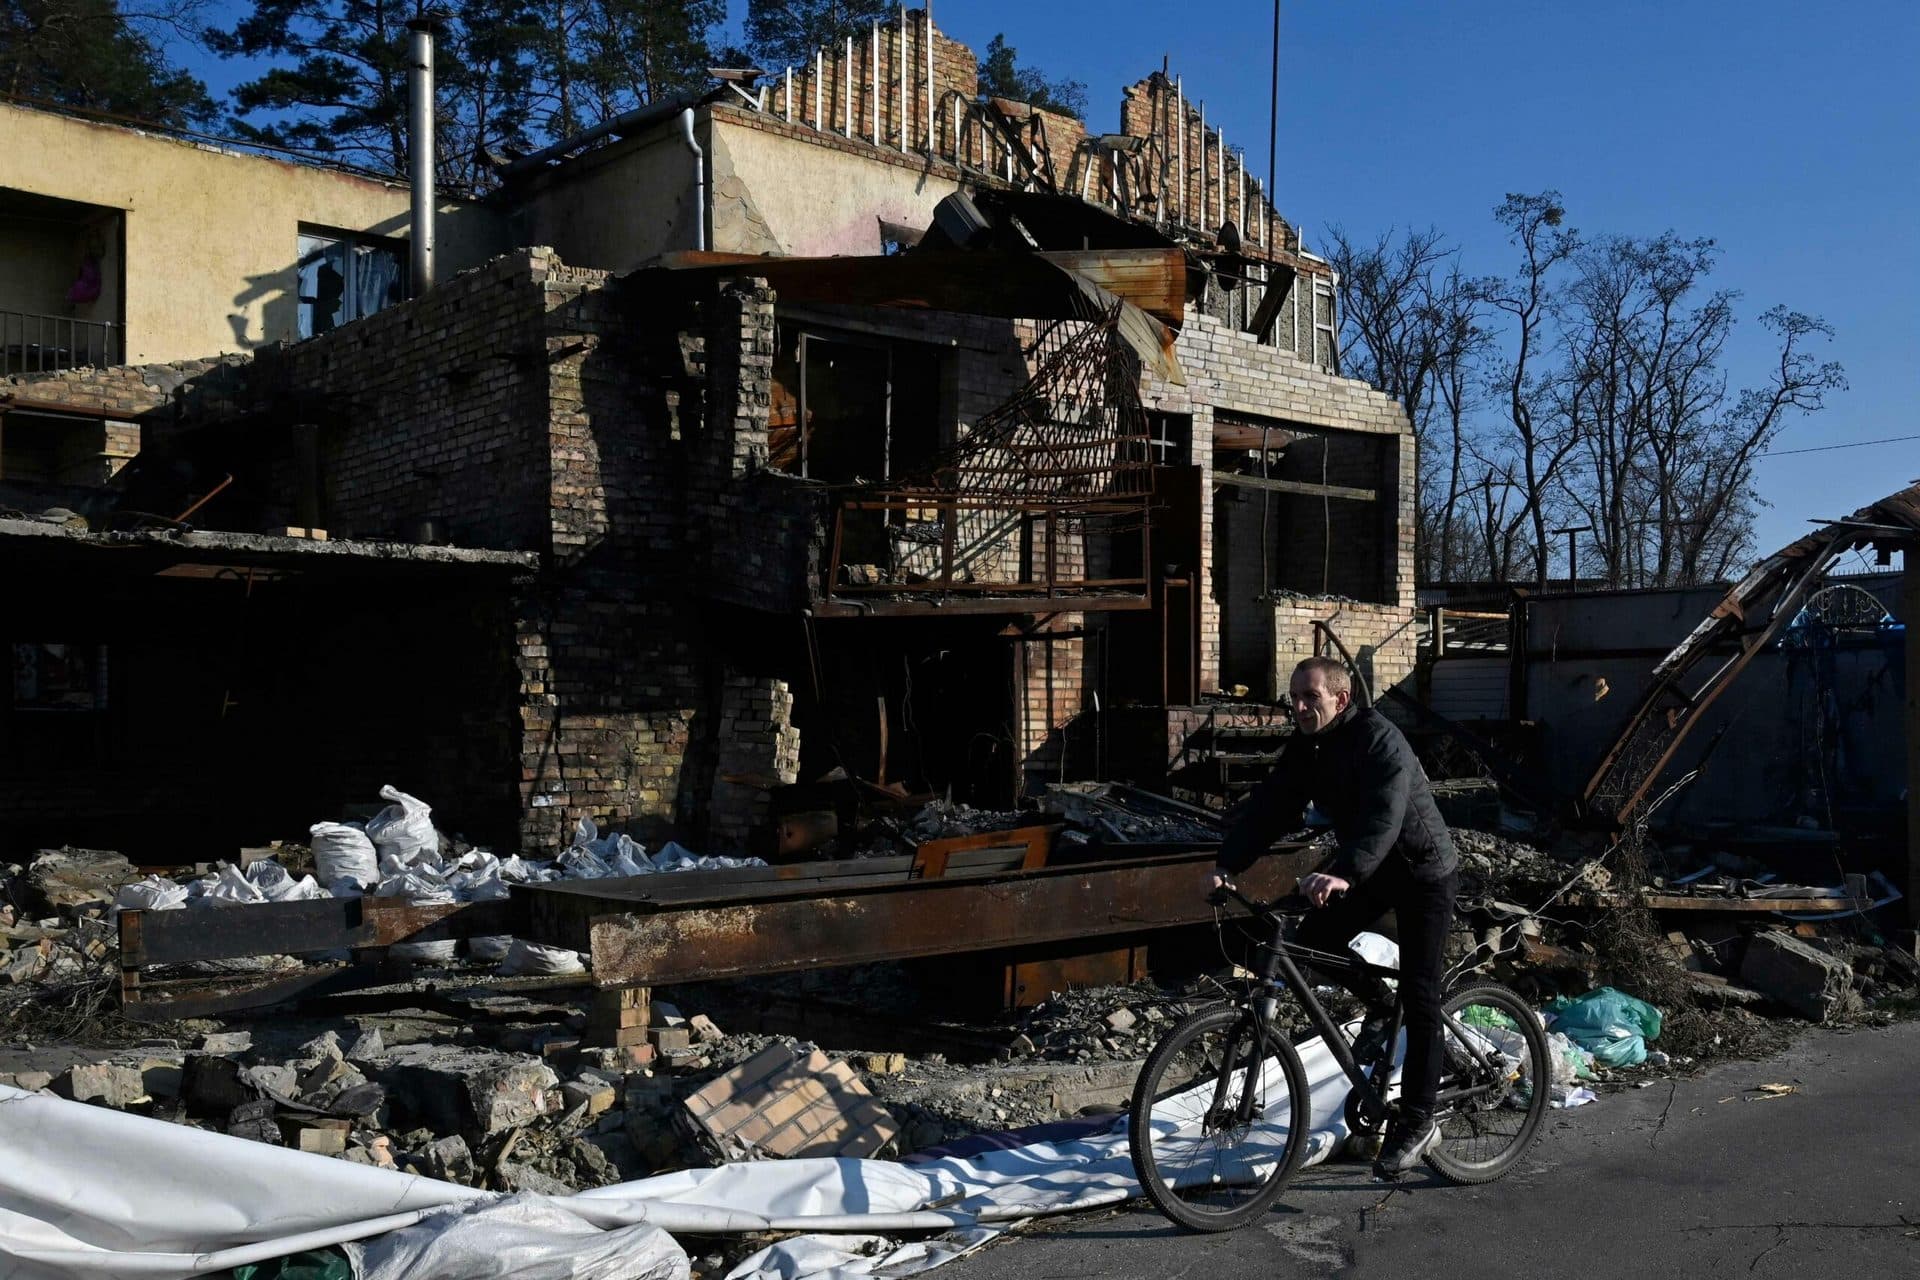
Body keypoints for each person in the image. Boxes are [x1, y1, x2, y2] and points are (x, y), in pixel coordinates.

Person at [1206, 656, 1458, 1178]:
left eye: (1309, 697)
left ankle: (1417, 1119)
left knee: (1422, 991)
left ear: (1340, 699)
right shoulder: (1308, 747)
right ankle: (1382, 1008)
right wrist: (1227, 865)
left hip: (1421, 872)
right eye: (1294, 698)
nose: (1298, 707)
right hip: (1369, 871)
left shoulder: (1379, 739)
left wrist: (1343, 871)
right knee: (1315, 937)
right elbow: (1272, 806)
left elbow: (1385, 815)